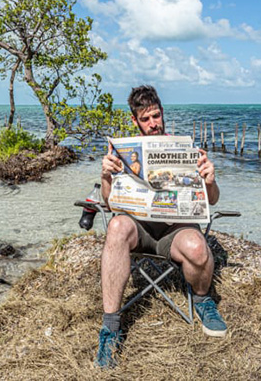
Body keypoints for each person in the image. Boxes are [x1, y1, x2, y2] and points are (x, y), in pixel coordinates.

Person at [96, 85, 224, 368]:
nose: (153, 123)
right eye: (146, 119)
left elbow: (212, 201)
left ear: (162, 113)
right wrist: (106, 175)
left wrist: (210, 181)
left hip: (174, 232)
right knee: (116, 227)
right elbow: (108, 201)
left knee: (196, 247)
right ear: (135, 121)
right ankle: (110, 327)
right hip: (139, 230)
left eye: (156, 116)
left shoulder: (186, 149)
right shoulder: (124, 151)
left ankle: (202, 300)